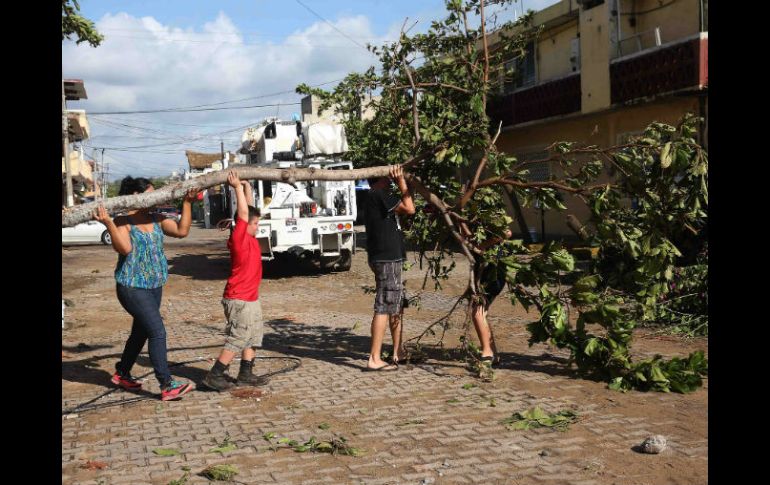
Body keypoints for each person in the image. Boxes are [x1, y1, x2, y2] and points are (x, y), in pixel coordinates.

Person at [94, 176, 199, 401]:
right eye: (151, 194)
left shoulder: (157, 218)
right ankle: (167, 384)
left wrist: (188, 203)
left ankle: (122, 373)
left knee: (140, 332)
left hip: (154, 285)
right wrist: (109, 224)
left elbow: (182, 231)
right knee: (157, 331)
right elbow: (124, 248)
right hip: (131, 286)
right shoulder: (122, 221)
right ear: (135, 196)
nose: (155, 198)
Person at [202, 171, 268, 391]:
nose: (258, 227)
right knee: (239, 336)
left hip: (251, 298)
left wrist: (247, 189)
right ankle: (215, 374)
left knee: (253, 335)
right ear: (244, 224)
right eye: (256, 224)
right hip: (238, 299)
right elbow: (243, 213)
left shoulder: (248, 236)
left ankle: (246, 373)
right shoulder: (239, 238)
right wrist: (236, 188)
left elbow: (248, 210)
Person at [363, 165, 415, 371]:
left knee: (396, 303)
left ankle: (397, 350)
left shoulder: (377, 196)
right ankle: (374, 358)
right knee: (385, 304)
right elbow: (410, 208)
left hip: (388, 257)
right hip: (386, 259)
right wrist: (402, 182)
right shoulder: (377, 194)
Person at [467, 227, 513, 367]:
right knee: (482, 313)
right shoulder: (471, 218)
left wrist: (483, 244)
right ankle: (493, 353)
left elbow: (507, 233)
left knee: (477, 311)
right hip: (485, 269)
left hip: (492, 271)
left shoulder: (489, 217)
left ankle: (487, 352)